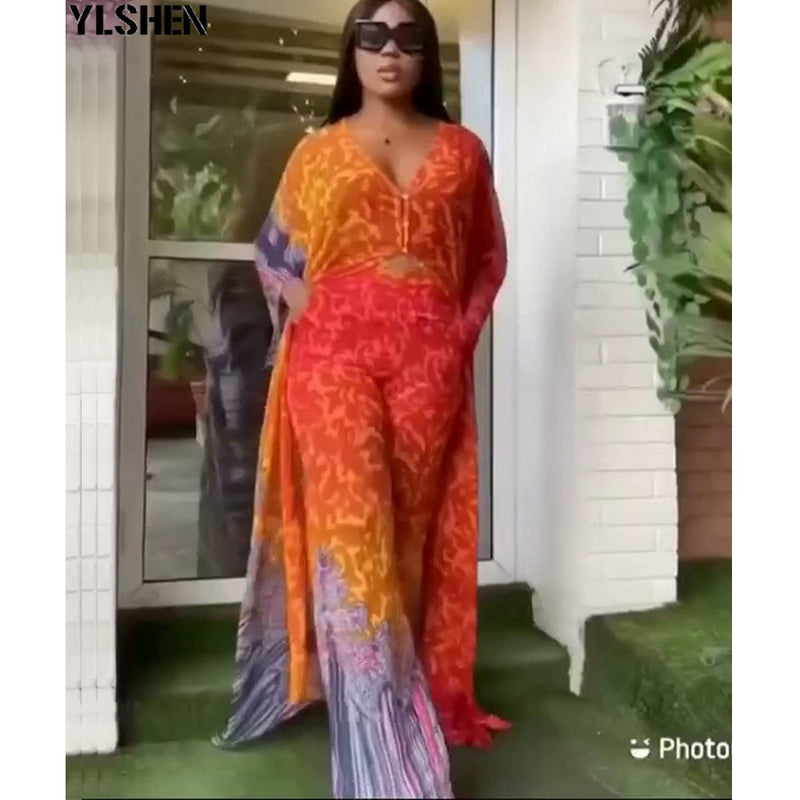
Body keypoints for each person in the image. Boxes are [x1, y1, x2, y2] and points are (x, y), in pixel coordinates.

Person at [214, 0, 510, 796]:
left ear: (427, 55)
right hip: (332, 363)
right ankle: (387, 756)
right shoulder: (316, 153)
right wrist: (303, 300)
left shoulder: (463, 151)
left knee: (405, 540)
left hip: (427, 366)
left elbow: (487, 258)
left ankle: (389, 703)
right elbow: (272, 250)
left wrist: (456, 333)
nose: (390, 50)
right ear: (351, 51)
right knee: (355, 542)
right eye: (372, 36)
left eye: (409, 38)